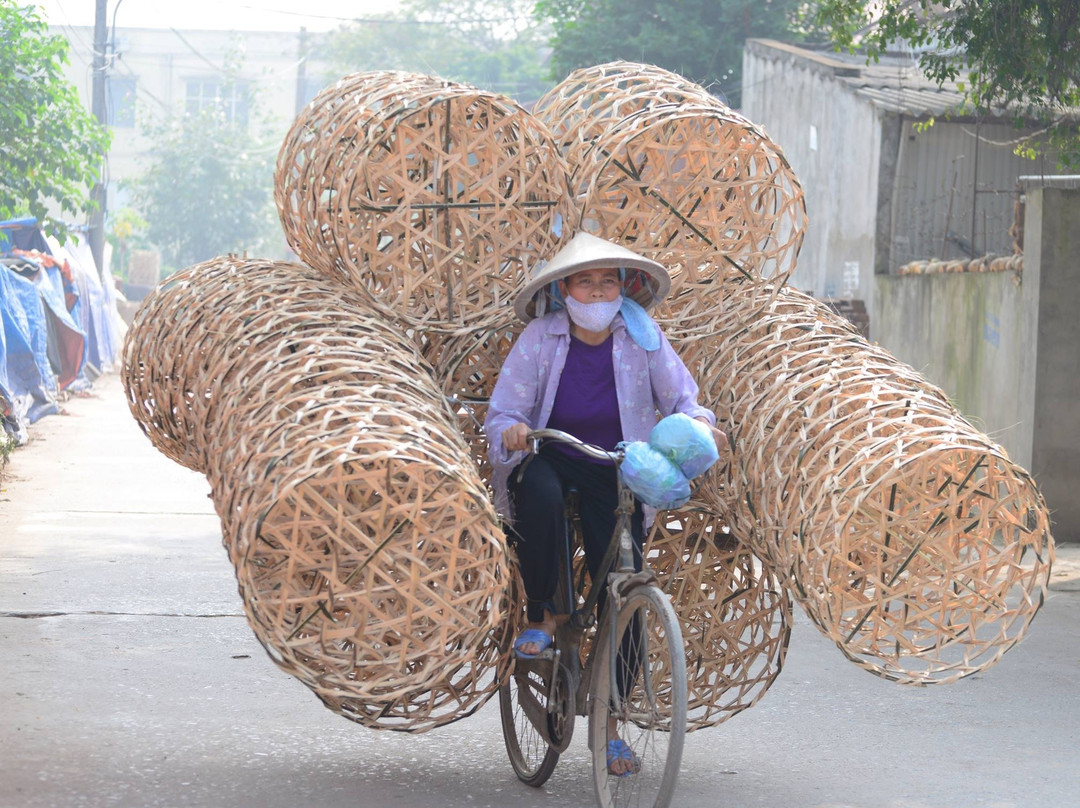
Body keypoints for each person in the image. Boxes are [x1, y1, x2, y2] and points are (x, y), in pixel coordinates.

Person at [484, 231, 723, 776]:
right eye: (585, 282)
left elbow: (685, 399)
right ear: (564, 289)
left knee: (627, 583)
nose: (597, 292)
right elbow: (501, 413)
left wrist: (703, 426)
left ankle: (612, 726)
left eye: (607, 281)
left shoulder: (641, 336)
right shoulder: (541, 338)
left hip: (615, 465)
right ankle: (546, 614)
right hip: (555, 452)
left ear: (623, 289)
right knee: (538, 493)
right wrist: (516, 431)